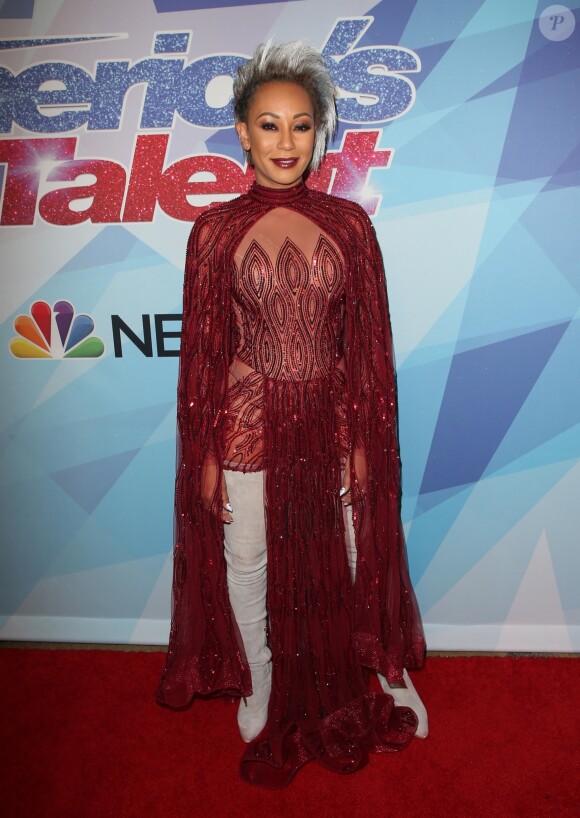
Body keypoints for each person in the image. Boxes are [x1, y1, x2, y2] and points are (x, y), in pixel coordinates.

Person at [156, 40, 427, 789]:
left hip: (335, 415)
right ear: (242, 132)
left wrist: (367, 440)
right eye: (268, 125)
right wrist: (207, 454)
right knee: (247, 561)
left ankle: (380, 669)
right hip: (246, 420)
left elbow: (369, 347)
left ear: (319, 133)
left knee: (352, 551)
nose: (285, 143)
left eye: (301, 126)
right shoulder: (211, 232)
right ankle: (260, 678)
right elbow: (205, 359)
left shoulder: (350, 226)